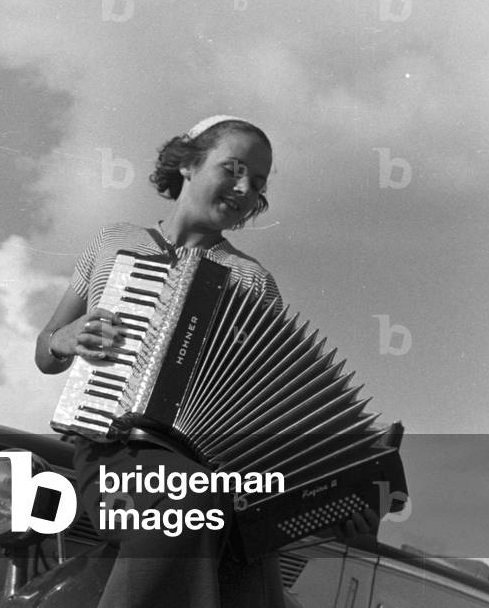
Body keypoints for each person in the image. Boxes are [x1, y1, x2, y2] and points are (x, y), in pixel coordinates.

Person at [35, 115, 375, 608]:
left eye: (257, 183)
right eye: (232, 170)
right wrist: (63, 339)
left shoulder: (251, 280)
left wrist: (334, 495)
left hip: (204, 467)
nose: (244, 189)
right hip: (111, 451)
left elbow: (265, 409)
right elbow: (46, 352)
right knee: (192, 505)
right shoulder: (113, 242)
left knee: (252, 569)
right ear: (189, 164)